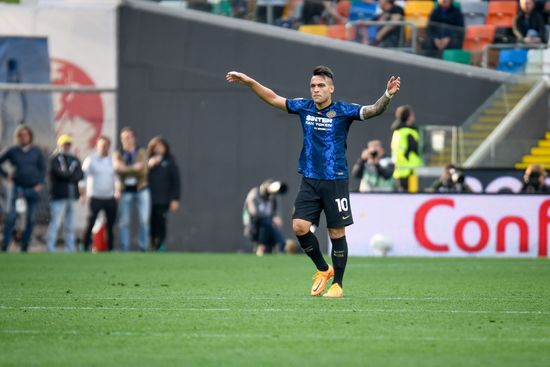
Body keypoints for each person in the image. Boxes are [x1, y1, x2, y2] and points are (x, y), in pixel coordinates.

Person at [226, 66, 400, 298]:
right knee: (299, 227)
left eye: (320, 86)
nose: (316, 90)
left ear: (331, 88)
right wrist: (249, 82)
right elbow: (273, 98)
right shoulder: (304, 107)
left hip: (335, 180)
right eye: (313, 86)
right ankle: (322, 269)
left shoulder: (343, 110)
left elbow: (372, 111)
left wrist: (387, 95)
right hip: (310, 179)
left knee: (336, 232)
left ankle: (337, 284)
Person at [0, 125, 45, 252]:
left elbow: (42, 169)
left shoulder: (36, 151)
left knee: (31, 219)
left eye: (26, 134)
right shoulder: (12, 150)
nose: (24, 137)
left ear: (30, 136)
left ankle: (25, 246)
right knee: (11, 217)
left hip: (33, 189)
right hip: (18, 188)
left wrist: (40, 183)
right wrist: (5, 175)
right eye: (21, 135)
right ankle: (5, 246)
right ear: (17, 137)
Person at [113, 127, 150, 252]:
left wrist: (126, 169)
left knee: (144, 220)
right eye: (124, 138)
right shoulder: (118, 153)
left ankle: (143, 247)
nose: (127, 140)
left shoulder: (141, 152)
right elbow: (118, 169)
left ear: (134, 138)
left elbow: (143, 169)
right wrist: (134, 168)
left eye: (129, 137)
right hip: (125, 190)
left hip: (141, 189)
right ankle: (124, 248)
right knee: (124, 221)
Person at [80, 136, 119, 252]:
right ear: (97, 146)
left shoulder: (112, 160)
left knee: (111, 224)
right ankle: (84, 246)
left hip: (110, 197)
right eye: (101, 145)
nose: (103, 147)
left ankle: (110, 248)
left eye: (106, 145)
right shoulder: (90, 159)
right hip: (95, 197)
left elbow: (117, 179)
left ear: (109, 146)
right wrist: (83, 194)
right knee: (91, 221)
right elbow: (82, 178)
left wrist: (117, 191)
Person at [46, 134, 83, 252]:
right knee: (55, 223)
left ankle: (70, 248)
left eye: (68, 144)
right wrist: (70, 175)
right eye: (64, 144)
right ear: (60, 144)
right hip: (58, 196)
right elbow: (60, 174)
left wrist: (69, 175)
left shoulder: (74, 159)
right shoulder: (55, 159)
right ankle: (51, 248)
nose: (66, 146)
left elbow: (80, 175)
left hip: (71, 195)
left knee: (70, 225)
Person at [147, 136, 181, 252]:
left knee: (161, 221)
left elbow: (176, 182)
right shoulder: (148, 160)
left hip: (163, 199)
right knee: (150, 222)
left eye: (161, 146)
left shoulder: (170, 161)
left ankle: (160, 244)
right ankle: (151, 243)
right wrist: (148, 166)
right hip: (149, 198)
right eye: (156, 146)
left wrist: (175, 199)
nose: (159, 149)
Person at [243, 179, 288, 256]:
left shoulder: (272, 198)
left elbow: (275, 213)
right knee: (266, 223)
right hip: (254, 227)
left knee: (281, 242)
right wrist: (272, 218)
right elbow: (255, 213)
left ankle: (277, 255)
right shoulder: (254, 193)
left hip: (268, 227)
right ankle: (260, 248)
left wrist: (275, 217)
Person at [391, 105, 422, 192]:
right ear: (409, 117)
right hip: (410, 172)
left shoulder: (397, 132)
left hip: (399, 172)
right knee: (412, 198)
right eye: (412, 115)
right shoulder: (409, 132)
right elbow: (416, 149)